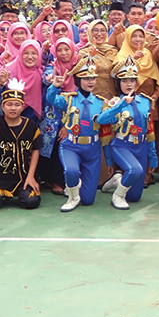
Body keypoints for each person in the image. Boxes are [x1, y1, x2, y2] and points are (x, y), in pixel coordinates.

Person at [46, 55, 107, 212]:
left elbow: (109, 121)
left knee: (88, 200)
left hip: (93, 149)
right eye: (86, 78)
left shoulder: (101, 102)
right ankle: (72, 196)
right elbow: (51, 99)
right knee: (71, 171)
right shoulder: (69, 99)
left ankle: (76, 188)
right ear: (78, 80)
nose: (91, 81)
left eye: (93, 78)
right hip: (71, 145)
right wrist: (55, 86)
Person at [98, 56, 157, 210]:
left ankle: (118, 180)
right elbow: (102, 120)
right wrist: (122, 104)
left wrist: (153, 156)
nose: (129, 84)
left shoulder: (145, 101)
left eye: (132, 80)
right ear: (119, 83)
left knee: (134, 197)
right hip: (121, 145)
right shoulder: (114, 102)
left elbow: (149, 130)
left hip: (141, 146)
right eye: (124, 81)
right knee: (134, 170)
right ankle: (117, 196)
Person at [0, 79, 42, 211]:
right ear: (3, 106)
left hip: (22, 178)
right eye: (9, 104)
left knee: (31, 201)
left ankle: (21, 191)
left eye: (17, 105)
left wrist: (31, 176)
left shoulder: (30, 126)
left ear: (23, 107)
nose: (13, 108)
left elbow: (36, 149)